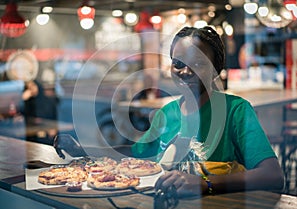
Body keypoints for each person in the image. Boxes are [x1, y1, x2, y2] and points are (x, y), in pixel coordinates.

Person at [54, 26, 284, 197]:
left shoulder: (236, 111)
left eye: (199, 63)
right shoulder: (167, 113)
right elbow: (135, 155)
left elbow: (273, 176)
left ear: (216, 70)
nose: (185, 71)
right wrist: (83, 149)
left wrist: (205, 183)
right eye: (178, 63)